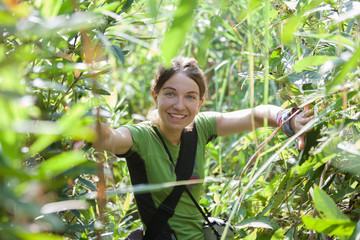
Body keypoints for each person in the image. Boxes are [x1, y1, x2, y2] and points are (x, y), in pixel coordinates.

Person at [92, 57, 314, 240]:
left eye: (190, 97)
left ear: (200, 103)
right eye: (170, 93)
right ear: (155, 96)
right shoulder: (141, 136)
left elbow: (256, 115)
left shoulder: (201, 127)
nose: (179, 105)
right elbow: (110, 138)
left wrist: (289, 120)